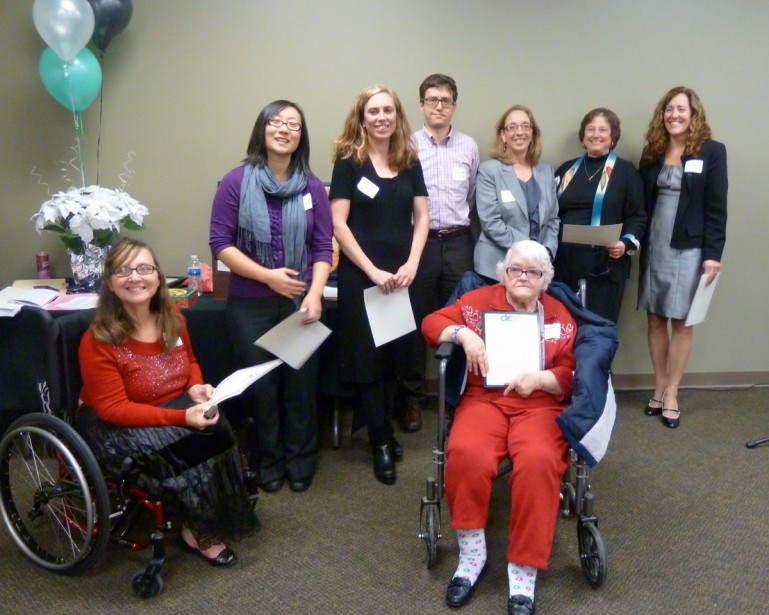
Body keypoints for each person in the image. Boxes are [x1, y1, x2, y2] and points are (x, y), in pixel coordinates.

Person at [77, 239, 257, 567]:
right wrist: (181, 417)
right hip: (116, 425)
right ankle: (197, 528)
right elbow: (113, 409)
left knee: (217, 423)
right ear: (110, 283)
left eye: (144, 268)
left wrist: (196, 387)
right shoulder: (98, 341)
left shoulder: (171, 315)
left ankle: (205, 513)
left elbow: (188, 361)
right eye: (123, 270)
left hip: (172, 404)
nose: (135, 277)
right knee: (191, 441)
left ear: (158, 277)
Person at [422, 240, 576, 615]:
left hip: (539, 404)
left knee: (539, 461)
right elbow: (431, 324)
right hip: (485, 399)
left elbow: (573, 374)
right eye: (514, 269)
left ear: (545, 281)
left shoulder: (559, 316)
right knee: (466, 453)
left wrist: (540, 380)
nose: (522, 277)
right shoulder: (476, 303)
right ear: (503, 274)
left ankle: (523, 572)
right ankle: (472, 556)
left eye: (533, 272)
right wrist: (463, 334)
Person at [209, 100, 333, 492]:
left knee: (300, 387)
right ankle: (269, 462)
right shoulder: (235, 181)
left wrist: (315, 294)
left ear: (301, 136)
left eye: (293, 124)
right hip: (249, 304)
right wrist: (268, 277)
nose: (284, 129)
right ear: (262, 129)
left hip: (301, 303)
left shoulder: (313, 186)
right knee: (261, 388)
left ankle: (300, 461)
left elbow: (323, 247)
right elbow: (220, 244)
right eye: (276, 122)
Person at [329, 84, 429, 485]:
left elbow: (422, 218)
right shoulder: (348, 162)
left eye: (388, 110)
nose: (382, 117)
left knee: (395, 358)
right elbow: (338, 224)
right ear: (362, 117)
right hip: (364, 276)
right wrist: (372, 271)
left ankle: (382, 428)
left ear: (398, 115)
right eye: (374, 111)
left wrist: (412, 263)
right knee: (369, 360)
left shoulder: (409, 160)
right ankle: (380, 442)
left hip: (402, 276)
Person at [637, 86, 727, 428]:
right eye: (669, 109)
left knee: (682, 322)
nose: (674, 115)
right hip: (655, 244)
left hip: (690, 248)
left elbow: (717, 208)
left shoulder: (712, 152)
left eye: (681, 109)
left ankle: (673, 392)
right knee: (655, 318)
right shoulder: (653, 152)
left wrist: (713, 255)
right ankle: (659, 387)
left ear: (694, 114)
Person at [401, 73, 480, 433]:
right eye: (431, 100)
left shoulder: (469, 147)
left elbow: (474, 199)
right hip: (420, 245)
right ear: (421, 105)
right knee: (416, 322)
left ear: (454, 106)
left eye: (445, 100)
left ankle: (458, 401)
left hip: (460, 243)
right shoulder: (406, 145)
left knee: (463, 321)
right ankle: (412, 401)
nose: (438, 106)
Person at [554, 108, 646, 323]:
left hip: (604, 265)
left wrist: (625, 243)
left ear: (612, 137)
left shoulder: (626, 172)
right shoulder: (565, 171)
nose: (596, 134)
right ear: (583, 136)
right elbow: (550, 213)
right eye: (590, 129)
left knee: (598, 331)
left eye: (603, 129)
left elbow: (638, 216)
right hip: (563, 264)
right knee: (563, 330)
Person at [474, 105, 559, 282]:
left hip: (537, 268)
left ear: (532, 133)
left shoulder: (546, 171)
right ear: (503, 135)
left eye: (525, 126)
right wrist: (530, 250)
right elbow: (491, 222)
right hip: (496, 268)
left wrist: (547, 251)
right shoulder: (489, 171)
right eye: (512, 127)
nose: (519, 132)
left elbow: (553, 219)